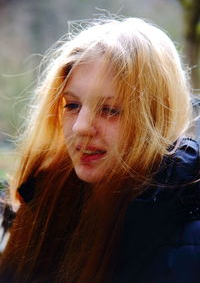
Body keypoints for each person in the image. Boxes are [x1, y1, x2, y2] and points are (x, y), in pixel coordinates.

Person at [0, 17, 199, 283]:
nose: (81, 127)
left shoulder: (188, 238)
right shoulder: (41, 204)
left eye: (109, 110)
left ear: (156, 117)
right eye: (72, 105)